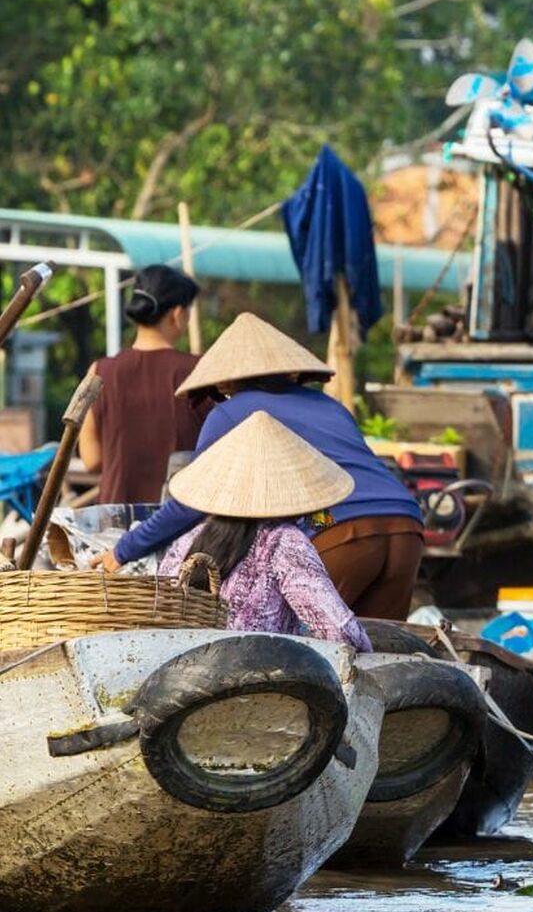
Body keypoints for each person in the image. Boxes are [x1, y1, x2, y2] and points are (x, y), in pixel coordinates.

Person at [104, 314, 424, 619]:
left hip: (334, 525)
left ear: (227, 379)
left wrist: (123, 551)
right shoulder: (330, 405)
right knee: (380, 655)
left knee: (313, 651)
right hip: (406, 524)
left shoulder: (230, 413)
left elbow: (191, 504)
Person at [158, 411, 373, 653]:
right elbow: (339, 630)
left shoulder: (187, 540)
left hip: (180, 674)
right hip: (257, 679)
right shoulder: (284, 541)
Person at [78, 264, 208, 505]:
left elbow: (92, 459)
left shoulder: (99, 372)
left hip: (115, 527)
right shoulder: (201, 371)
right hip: (180, 524)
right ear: (178, 314)